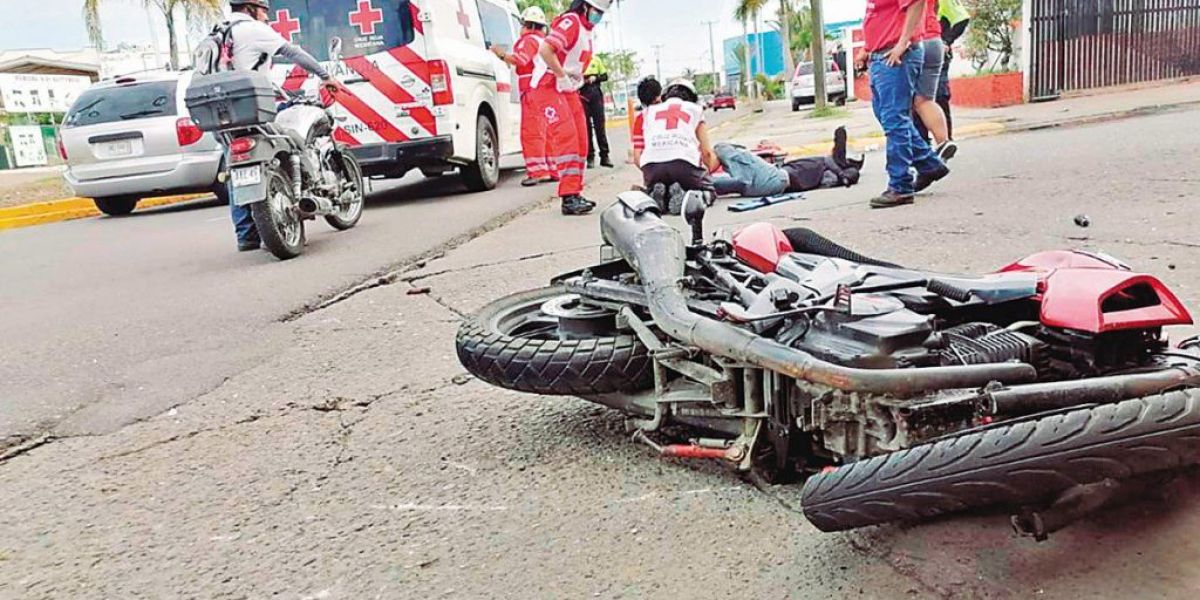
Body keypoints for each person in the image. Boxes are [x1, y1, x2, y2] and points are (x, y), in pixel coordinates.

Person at [220, 0, 342, 251]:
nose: (267, 15)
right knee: (290, 148)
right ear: (250, 8)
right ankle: (294, 206)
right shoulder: (253, 29)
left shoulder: (218, 31)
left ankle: (247, 235)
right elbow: (293, 52)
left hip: (222, 115)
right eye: (264, 9)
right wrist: (325, 75)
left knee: (239, 171)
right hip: (252, 110)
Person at [860, 0, 950, 209]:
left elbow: (916, 3)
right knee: (885, 114)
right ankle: (929, 164)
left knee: (894, 119)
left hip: (896, 54)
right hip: (880, 55)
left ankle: (900, 186)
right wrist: (867, 48)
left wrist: (902, 42)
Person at [529, 0, 611, 216]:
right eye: (597, 12)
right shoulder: (571, 22)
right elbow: (546, 50)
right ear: (585, 6)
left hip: (568, 88)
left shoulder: (587, 30)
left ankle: (574, 191)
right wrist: (561, 75)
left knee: (582, 140)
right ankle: (568, 197)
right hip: (549, 85)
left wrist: (573, 80)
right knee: (567, 137)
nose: (598, 17)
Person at [632, 79, 718, 214]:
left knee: (657, 183)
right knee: (709, 191)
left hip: (652, 167)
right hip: (683, 164)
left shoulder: (646, 113)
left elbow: (637, 156)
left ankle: (656, 196)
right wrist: (708, 171)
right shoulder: (695, 110)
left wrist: (650, 175)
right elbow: (706, 152)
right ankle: (686, 197)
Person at [491, 7, 555, 187]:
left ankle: (537, 171)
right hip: (546, 88)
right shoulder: (543, 41)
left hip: (532, 89)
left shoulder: (527, 41)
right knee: (547, 131)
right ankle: (552, 168)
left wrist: (501, 54)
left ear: (527, 24)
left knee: (532, 132)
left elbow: (520, 60)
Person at [712, 127, 863, 197]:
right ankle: (702, 186)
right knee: (720, 184)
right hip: (770, 184)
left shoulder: (833, 164)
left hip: (776, 178)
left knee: (722, 148)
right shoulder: (827, 170)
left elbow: (840, 136)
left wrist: (842, 169)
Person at [912, 0, 956, 160]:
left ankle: (920, 149)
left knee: (904, 105)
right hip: (935, 41)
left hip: (915, 40)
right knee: (925, 101)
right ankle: (943, 141)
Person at [580, 54, 612, 169]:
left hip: (595, 92)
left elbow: (605, 76)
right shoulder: (576, 59)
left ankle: (605, 156)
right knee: (586, 128)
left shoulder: (596, 59)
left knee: (600, 126)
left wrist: (595, 78)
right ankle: (590, 156)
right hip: (581, 93)